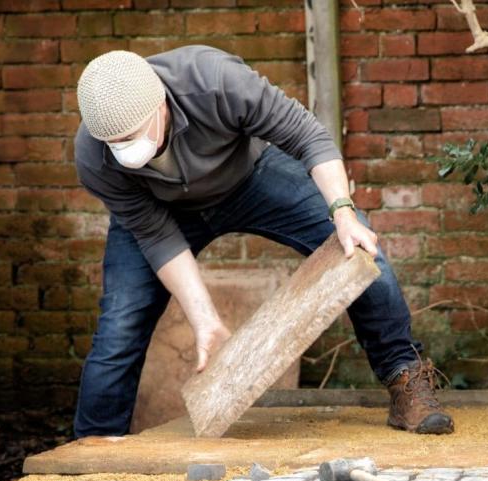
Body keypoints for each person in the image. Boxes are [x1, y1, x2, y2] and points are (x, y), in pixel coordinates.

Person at [72, 45, 454, 438]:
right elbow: (157, 236)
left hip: (249, 176)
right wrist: (205, 321)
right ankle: (93, 445)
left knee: (358, 246)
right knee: (120, 325)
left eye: (130, 137)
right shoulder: (92, 156)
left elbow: (307, 136)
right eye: (113, 143)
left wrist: (342, 210)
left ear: (161, 105)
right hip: (160, 210)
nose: (124, 151)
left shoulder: (216, 80)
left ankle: (406, 381)